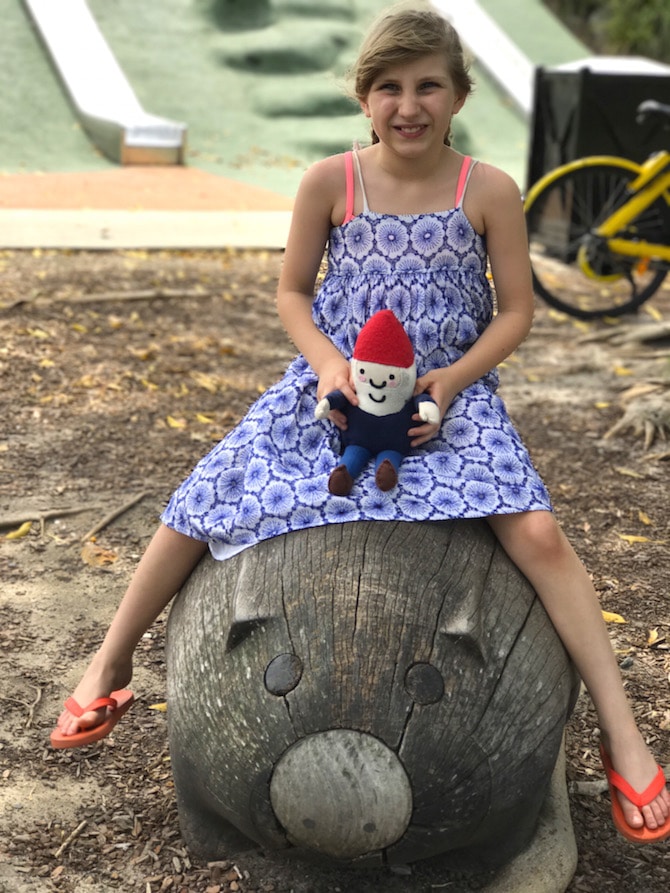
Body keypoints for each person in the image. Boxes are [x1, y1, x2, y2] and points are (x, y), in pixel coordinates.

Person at [52, 2, 669, 844]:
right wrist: (327, 365)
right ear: (364, 96)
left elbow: (516, 312)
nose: (407, 105)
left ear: (457, 95)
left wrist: (449, 384)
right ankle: (110, 660)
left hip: (445, 401)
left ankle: (621, 731)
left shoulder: (486, 190)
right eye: (388, 87)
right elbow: (292, 292)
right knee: (203, 497)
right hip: (332, 394)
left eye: (427, 86)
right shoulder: (328, 183)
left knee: (538, 533)